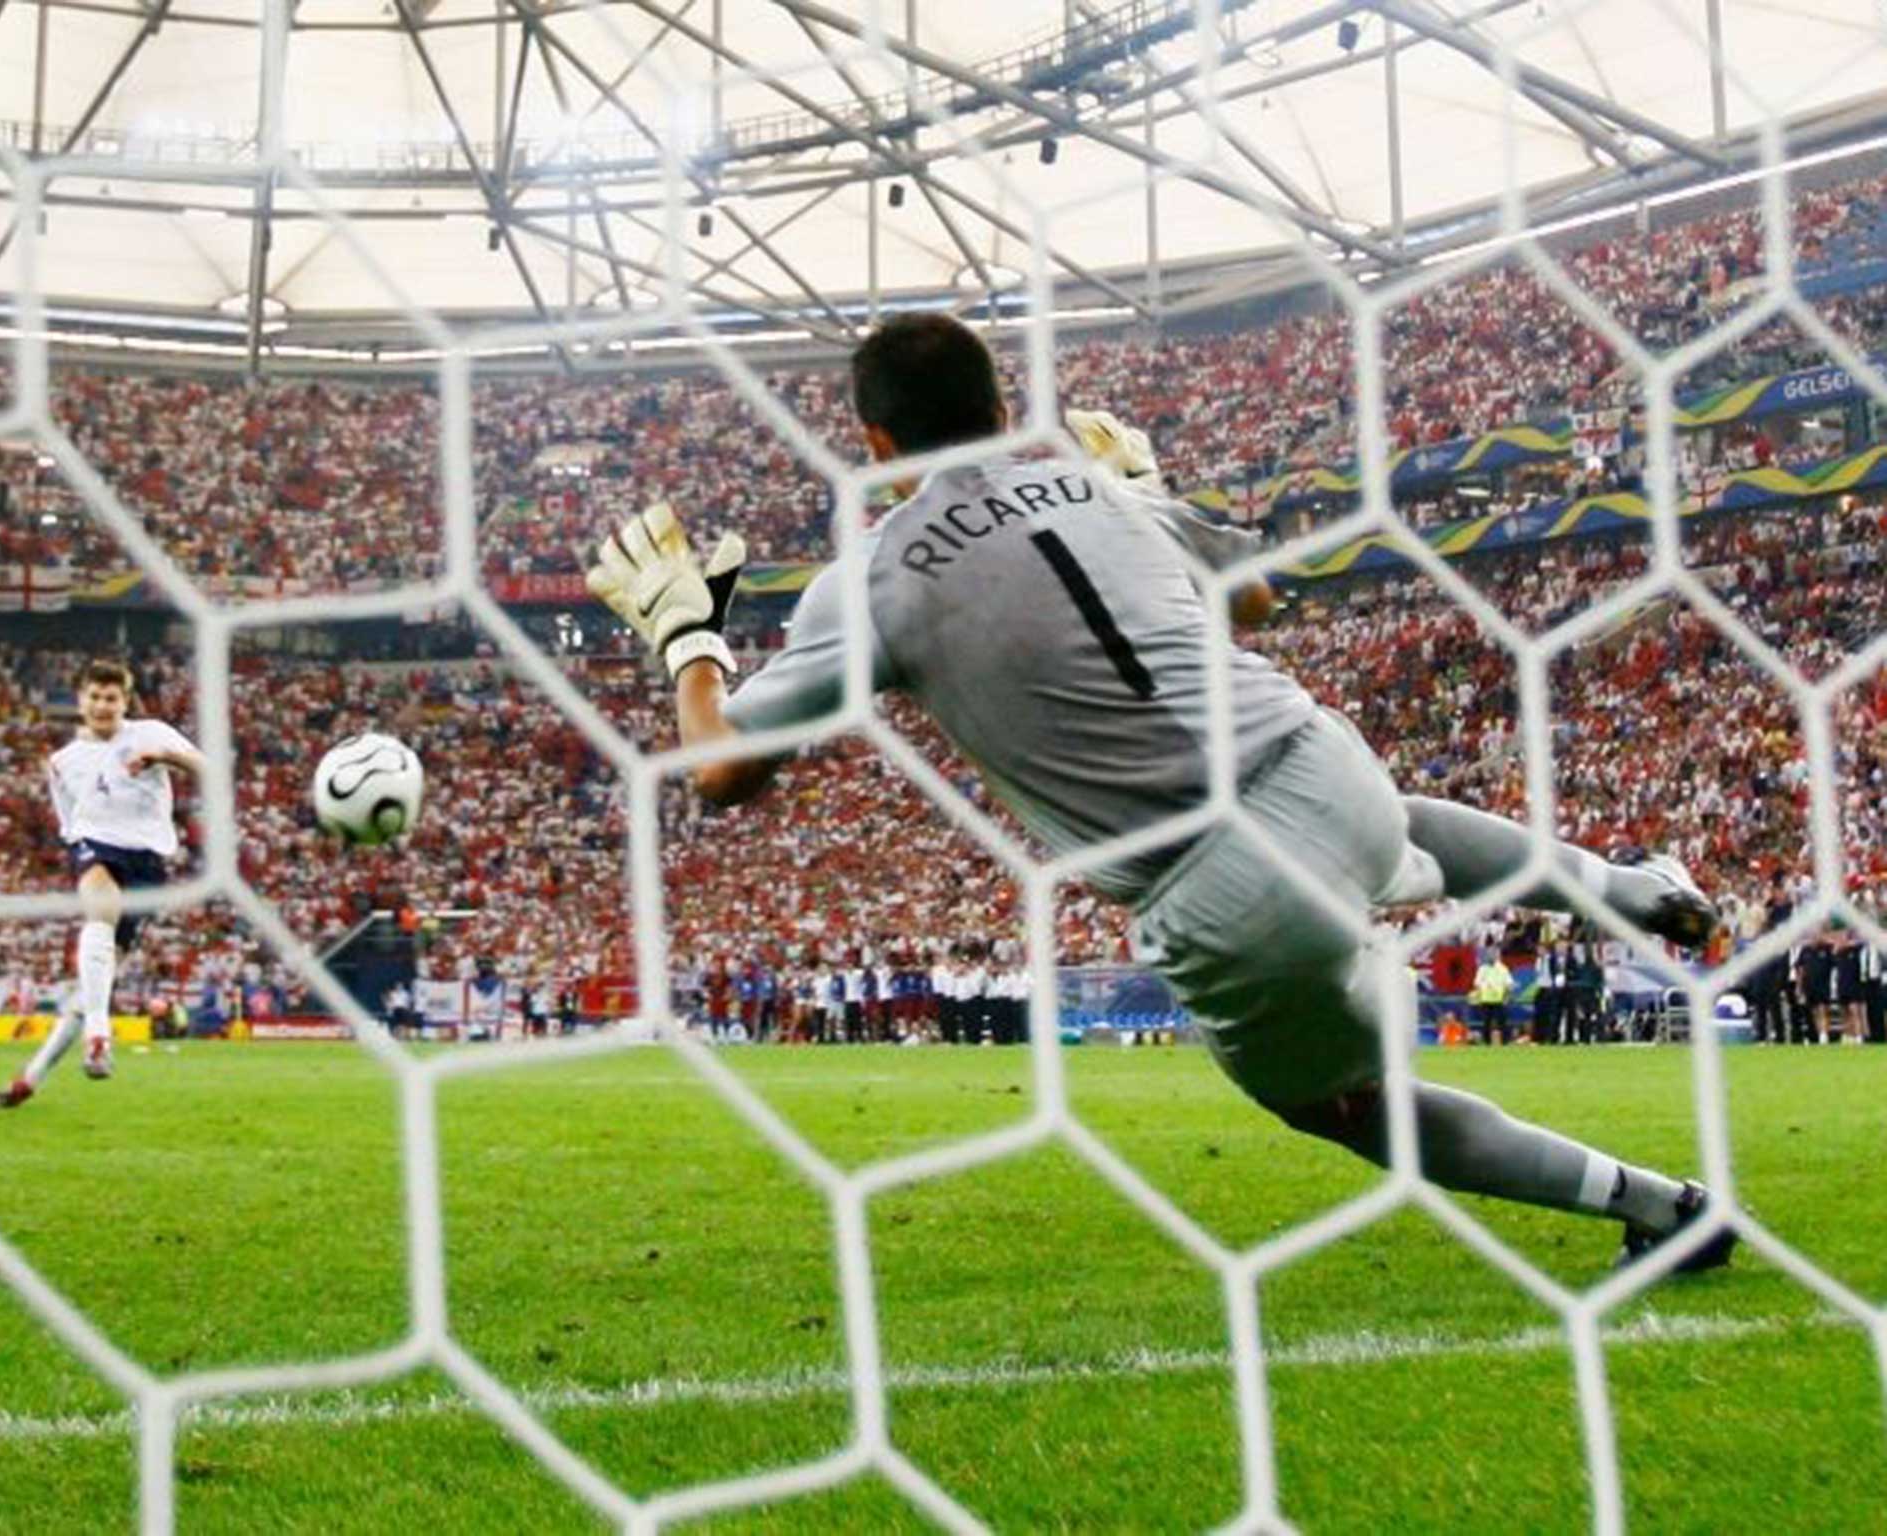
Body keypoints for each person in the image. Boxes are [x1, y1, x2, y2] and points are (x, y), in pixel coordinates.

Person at [584, 312, 1734, 1272]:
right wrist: (1141, 491)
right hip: (1320, 767)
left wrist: (691, 638)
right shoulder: (1103, 496)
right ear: (1000, 407)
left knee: (1344, 1108)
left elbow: (724, 772)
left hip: (1221, 890)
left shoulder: (873, 578)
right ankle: (1629, 890)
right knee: (1405, 831)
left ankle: (1657, 1211)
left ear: (873, 440)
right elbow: (1253, 608)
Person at [0, 660, 202, 1108]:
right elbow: (70, 822)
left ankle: (30, 1078)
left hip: (148, 861)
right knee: (99, 911)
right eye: (95, 697)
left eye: (112, 698)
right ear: (81, 700)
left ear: (125, 702)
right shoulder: (62, 763)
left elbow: (209, 768)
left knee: (91, 988)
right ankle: (100, 1036)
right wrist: (81, 846)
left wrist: (166, 758)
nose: (103, 705)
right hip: (95, 848)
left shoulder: (151, 733)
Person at [1470, 948, 1515, 1046]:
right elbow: (1476, 983)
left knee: (1502, 1022)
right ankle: (1487, 1043)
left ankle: (1505, 1042)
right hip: (1486, 1000)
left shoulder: (1503, 969)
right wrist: (1484, 987)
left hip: (1499, 1000)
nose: (1491, 956)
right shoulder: (1482, 969)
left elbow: (1509, 984)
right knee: (1486, 1023)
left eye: (1494, 954)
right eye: (1489, 954)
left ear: (1497, 956)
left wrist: (1506, 997)